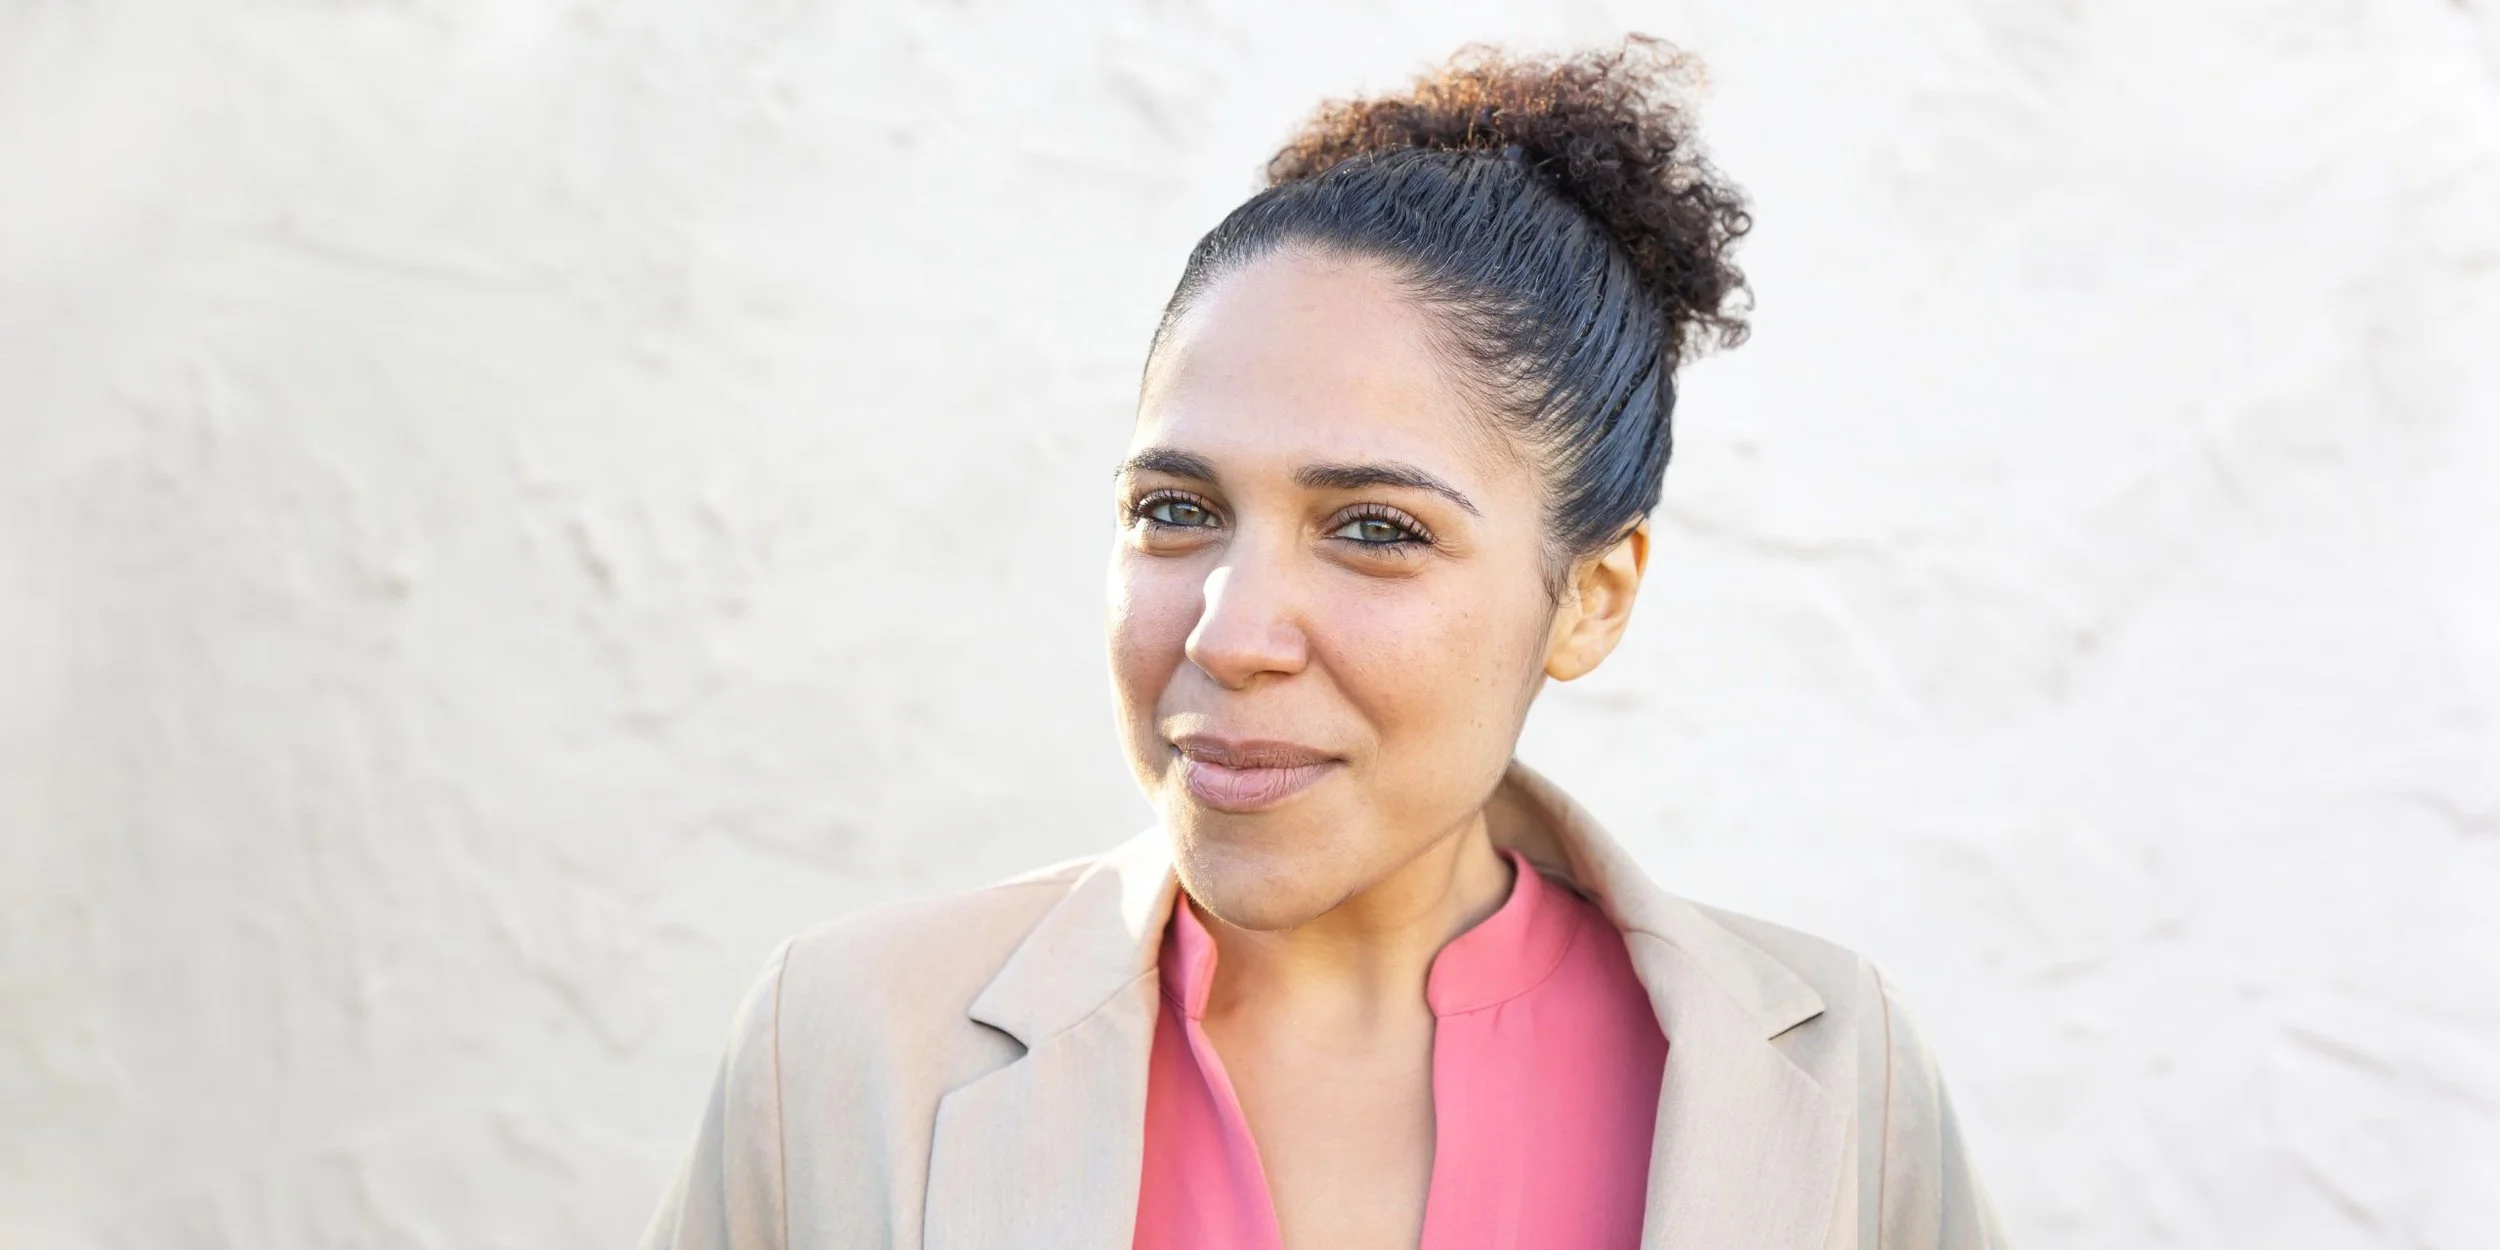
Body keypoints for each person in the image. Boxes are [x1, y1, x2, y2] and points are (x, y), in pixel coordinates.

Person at [641, 37, 2005, 1250]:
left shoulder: (1835, 1086)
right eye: (1175, 510)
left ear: (1591, 593)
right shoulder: (845, 1045)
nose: (1230, 634)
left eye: (1373, 528)